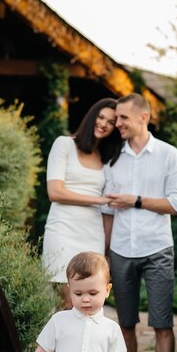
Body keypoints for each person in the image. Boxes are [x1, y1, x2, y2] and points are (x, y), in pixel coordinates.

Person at [102, 93, 177, 352]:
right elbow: (108, 213)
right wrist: (106, 255)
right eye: (116, 118)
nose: (117, 123)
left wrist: (136, 200)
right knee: (125, 323)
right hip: (122, 250)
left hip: (157, 249)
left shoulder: (168, 155)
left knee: (162, 323)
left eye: (123, 118)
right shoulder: (112, 158)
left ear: (143, 117)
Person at [42, 98, 122, 308]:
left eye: (111, 122)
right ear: (91, 116)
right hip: (63, 229)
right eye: (101, 117)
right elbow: (55, 192)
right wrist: (98, 199)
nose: (104, 124)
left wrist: (106, 250)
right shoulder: (64, 144)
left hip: (92, 233)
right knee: (65, 299)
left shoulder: (106, 158)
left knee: (88, 302)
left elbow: (109, 211)